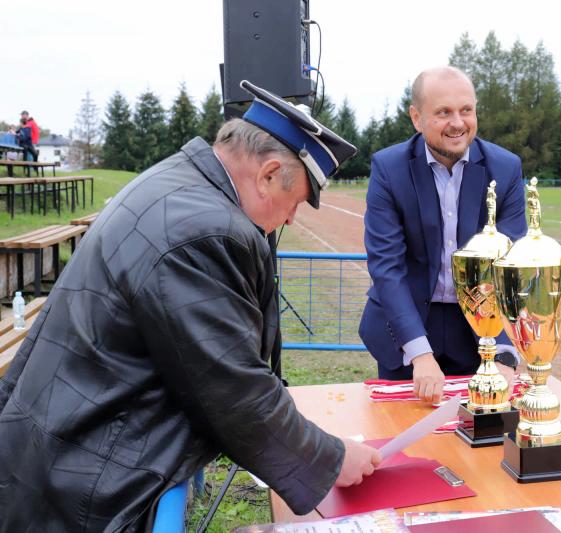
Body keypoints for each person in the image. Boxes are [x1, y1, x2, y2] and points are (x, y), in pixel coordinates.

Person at [0, 81, 381, 531]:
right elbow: (229, 386)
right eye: (295, 201)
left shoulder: (179, 183)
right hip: (85, 475)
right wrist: (331, 458)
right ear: (268, 174)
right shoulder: (206, 231)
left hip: (65, 443)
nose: (291, 218)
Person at [359, 66, 528, 404]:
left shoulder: (506, 168)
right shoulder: (389, 169)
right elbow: (387, 267)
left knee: (481, 431)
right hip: (407, 325)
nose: (458, 123)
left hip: (480, 326)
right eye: (443, 112)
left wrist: (504, 351)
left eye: (466, 110)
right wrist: (420, 354)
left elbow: (509, 267)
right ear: (416, 118)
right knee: (402, 431)